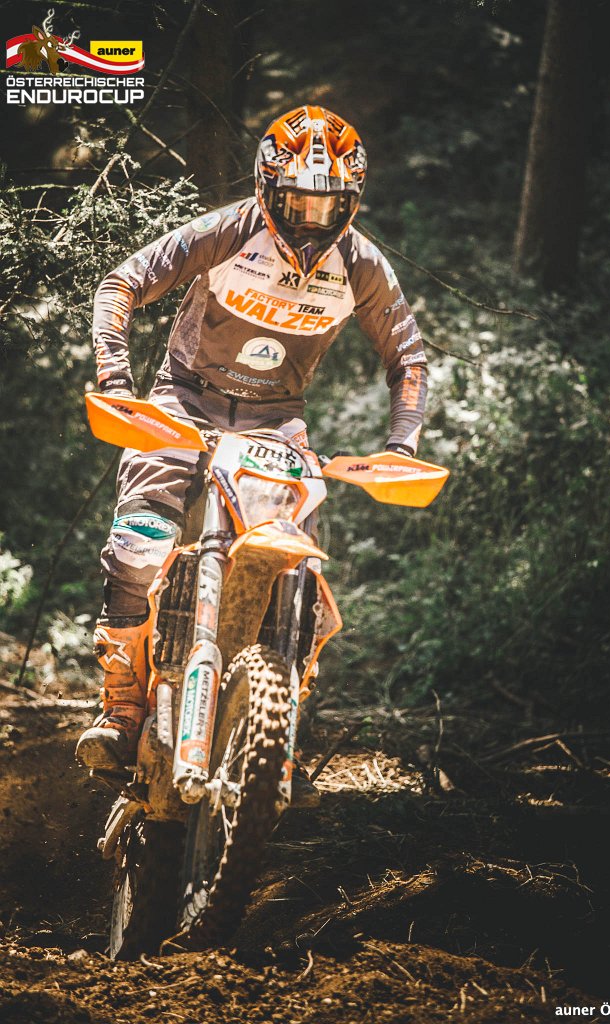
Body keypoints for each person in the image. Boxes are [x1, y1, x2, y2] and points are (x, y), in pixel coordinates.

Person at [75, 104, 428, 775]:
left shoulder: (361, 264)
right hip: (184, 400)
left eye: (327, 205)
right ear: (267, 188)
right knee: (139, 543)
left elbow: (407, 359)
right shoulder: (229, 229)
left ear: (351, 202)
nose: (309, 219)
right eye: (296, 201)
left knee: (298, 567)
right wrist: (117, 378)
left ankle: (275, 733)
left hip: (276, 419)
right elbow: (121, 283)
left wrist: (400, 447)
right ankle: (120, 707)